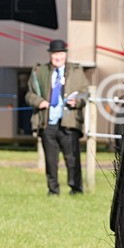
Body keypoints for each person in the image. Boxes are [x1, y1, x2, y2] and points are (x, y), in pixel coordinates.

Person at [26, 39, 88, 196]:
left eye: (60, 54)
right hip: (48, 123)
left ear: (65, 55)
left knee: (72, 159)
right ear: (50, 55)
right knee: (51, 160)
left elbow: (85, 93)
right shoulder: (40, 71)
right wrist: (39, 102)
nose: (58, 57)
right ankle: (53, 190)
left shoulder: (76, 71)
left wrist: (77, 101)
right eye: (54, 54)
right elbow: (29, 94)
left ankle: (76, 189)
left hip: (69, 122)